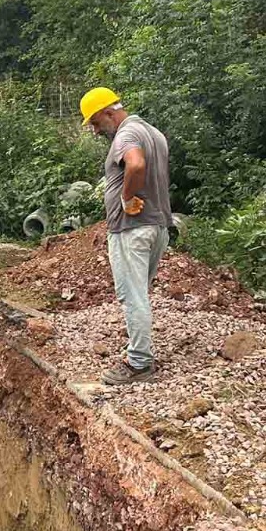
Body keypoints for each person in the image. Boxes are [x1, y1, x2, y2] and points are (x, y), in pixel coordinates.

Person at [78, 88, 172, 385]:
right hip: (157, 226)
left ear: (109, 112)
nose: (94, 130)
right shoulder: (153, 133)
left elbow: (136, 164)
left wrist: (126, 197)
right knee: (139, 293)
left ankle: (139, 363)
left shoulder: (126, 135)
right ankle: (138, 347)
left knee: (132, 296)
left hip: (132, 229)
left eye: (95, 122)